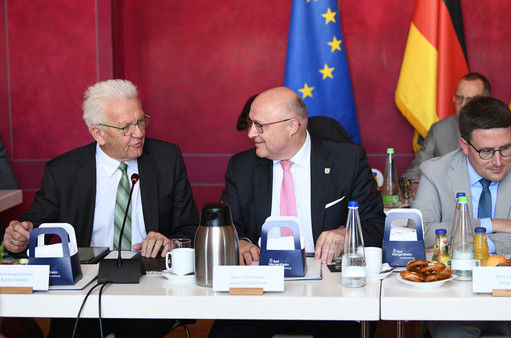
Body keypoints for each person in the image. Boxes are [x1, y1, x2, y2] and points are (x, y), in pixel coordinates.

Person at [3, 79, 199, 338]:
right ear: (99, 133)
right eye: (126, 127)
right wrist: (18, 239)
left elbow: (190, 228)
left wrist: (169, 242)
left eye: (141, 121)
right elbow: (33, 227)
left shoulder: (167, 159)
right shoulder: (63, 171)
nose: (139, 133)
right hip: (85, 284)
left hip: (150, 283)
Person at [212, 87, 384, 337]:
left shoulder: (348, 160)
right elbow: (228, 228)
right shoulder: (242, 166)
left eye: (259, 126)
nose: (251, 134)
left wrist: (345, 234)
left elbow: (376, 226)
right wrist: (240, 243)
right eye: (251, 123)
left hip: (331, 295)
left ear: (292, 126)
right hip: (260, 296)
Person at [413, 96, 511, 337]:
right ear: (464, 146)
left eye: (505, 148)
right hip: (455, 299)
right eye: (486, 151)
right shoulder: (435, 171)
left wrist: (486, 243)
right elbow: (420, 234)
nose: (498, 161)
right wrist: (492, 225)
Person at [402, 73, 511, 185]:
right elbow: (413, 173)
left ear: (485, 101)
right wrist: (416, 186)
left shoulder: (505, 129)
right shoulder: (439, 130)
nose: (463, 105)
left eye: (470, 99)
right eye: (459, 98)